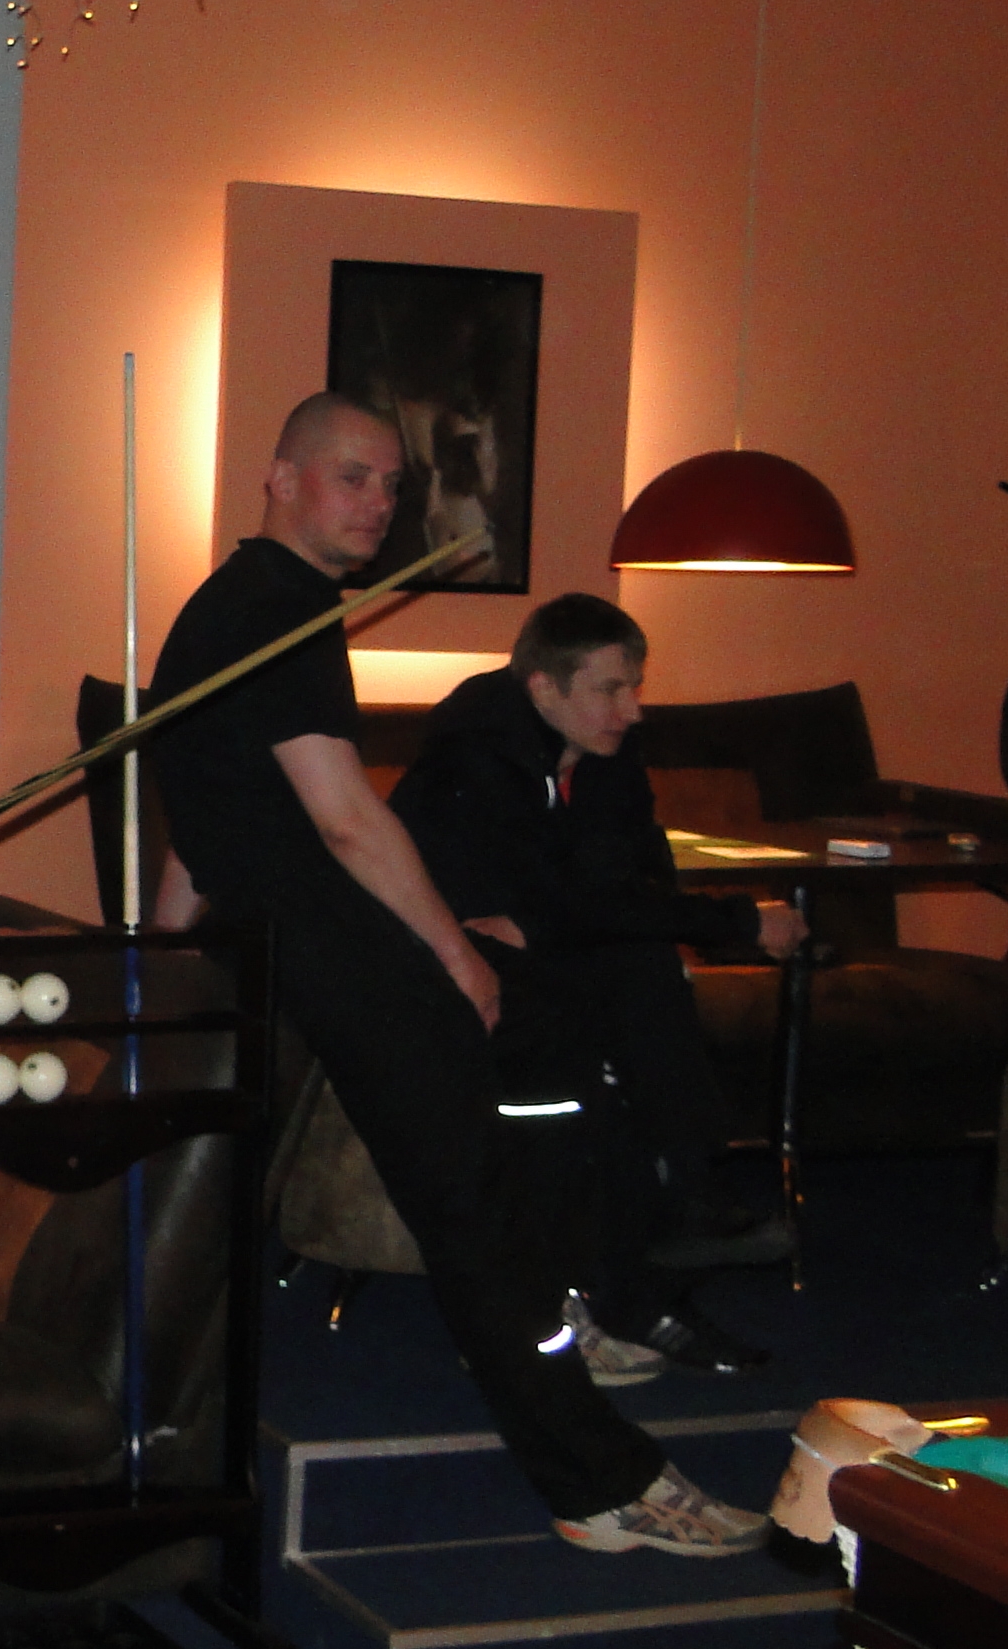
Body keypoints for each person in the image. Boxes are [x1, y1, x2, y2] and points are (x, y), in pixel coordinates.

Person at [143, 389, 771, 1556]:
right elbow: (344, 820)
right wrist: (450, 955)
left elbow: (204, 811)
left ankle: (583, 1306)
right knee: (472, 1211)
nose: (378, 502)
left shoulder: (224, 605)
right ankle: (599, 1479)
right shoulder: (282, 608)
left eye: (392, 484)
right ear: (280, 477)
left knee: (551, 1049)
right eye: (352, 476)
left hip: (287, 949)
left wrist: (163, 954)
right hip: (338, 958)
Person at [388, 594, 806, 1375]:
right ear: (544, 689)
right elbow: (498, 905)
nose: (632, 710)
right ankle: (656, 1245)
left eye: (635, 687)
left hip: (544, 954)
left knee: (642, 972)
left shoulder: (606, 754)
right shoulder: (472, 758)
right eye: (611, 690)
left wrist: (610, 920)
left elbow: (614, 884)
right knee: (588, 1027)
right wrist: (735, 922)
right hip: (436, 966)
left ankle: (679, 1205)